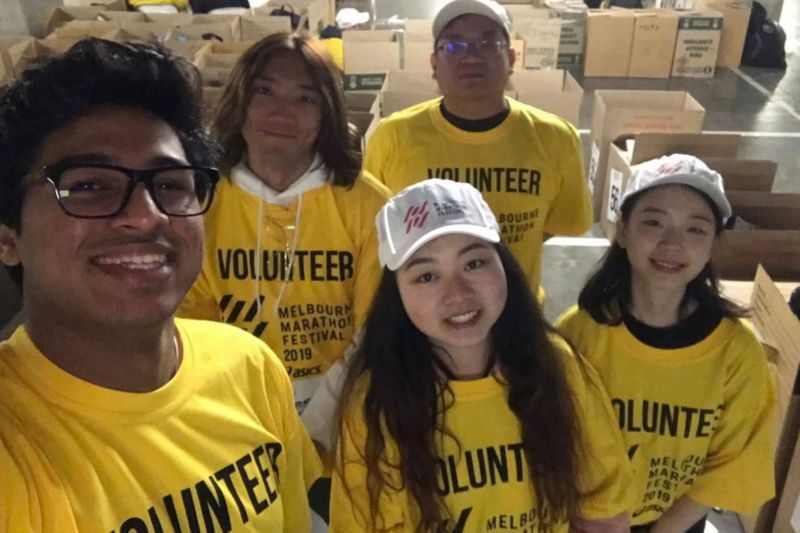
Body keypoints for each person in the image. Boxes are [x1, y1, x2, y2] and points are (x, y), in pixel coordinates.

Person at [0, 38, 320, 531]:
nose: (145, 216)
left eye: (170, 185)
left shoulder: (250, 368)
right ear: (8, 238)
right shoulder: (16, 446)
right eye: (89, 185)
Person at [330, 179, 633, 532]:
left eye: (474, 263)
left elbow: (603, 508)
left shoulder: (556, 365)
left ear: (505, 265)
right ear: (396, 294)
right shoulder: (377, 401)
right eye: (427, 276)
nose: (457, 293)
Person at [178, 33, 390, 432]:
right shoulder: (201, 204)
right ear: (240, 101)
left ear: (326, 113)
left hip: (343, 423)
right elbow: (191, 327)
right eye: (265, 91)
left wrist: (319, 427)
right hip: (234, 416)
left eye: (305, 98)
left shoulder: (369, 204)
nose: (282, 112)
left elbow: (375, 333)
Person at [557, 154, 776, 532]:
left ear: (713, 244)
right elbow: (558, 440)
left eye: (695, 229)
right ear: (622, 229)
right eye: (654, 222)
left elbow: (735, 460)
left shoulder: (737, 351)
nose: (672, 243)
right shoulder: (579, 333)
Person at [363, 0, 592, 298]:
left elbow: (561, 224)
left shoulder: (556, 137)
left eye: (487, 43)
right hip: (427, 316)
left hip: (517, 312)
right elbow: (377, 231)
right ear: (434, 64)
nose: (471, 57)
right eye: (454, 45)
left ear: (511, 58)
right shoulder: (393, 135)